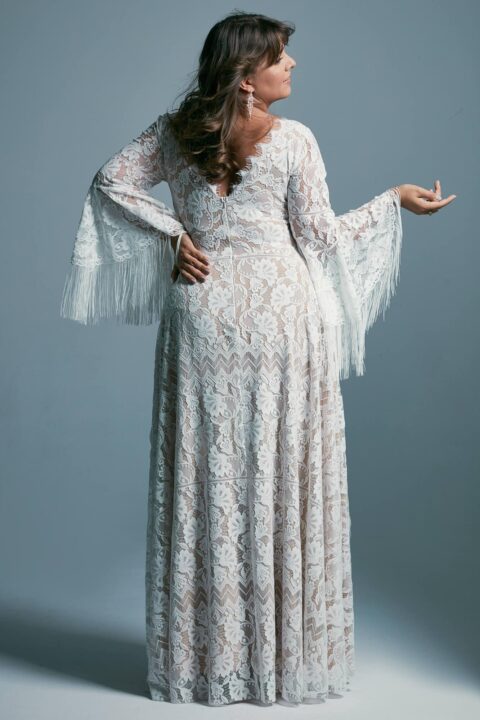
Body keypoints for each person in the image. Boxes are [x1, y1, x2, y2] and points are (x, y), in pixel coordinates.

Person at [59, 10, 456, 708]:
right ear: (246, 78)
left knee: (208, 479)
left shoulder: (173, 132)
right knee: (280, 477)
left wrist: (171, 233)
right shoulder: (294, 140)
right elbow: (322, 238)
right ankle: (279, 659)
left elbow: (108, 182)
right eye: (279, 57)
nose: (291, 65)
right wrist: (392, 201)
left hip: (203, 318)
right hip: (280, 324)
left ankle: (207, 661)